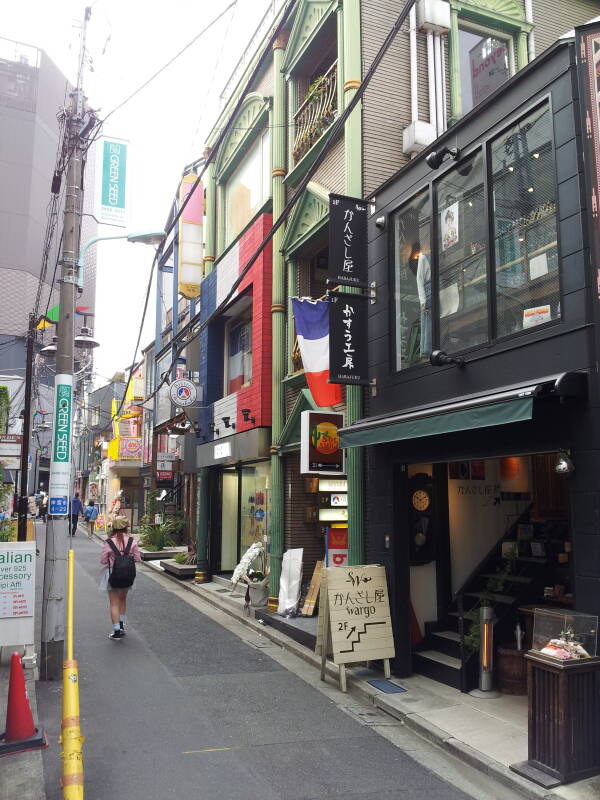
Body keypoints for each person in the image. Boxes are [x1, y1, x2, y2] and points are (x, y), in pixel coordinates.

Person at [99, 516, 141, 640]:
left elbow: (102, 560)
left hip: (113, 575)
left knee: (114, 603)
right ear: (125, 527)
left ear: (114, 527)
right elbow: (137, 559)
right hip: (127, 575)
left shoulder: (109, 542)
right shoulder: (132, 541)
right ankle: (122, 625)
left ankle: (117, 631)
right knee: (123, 599)